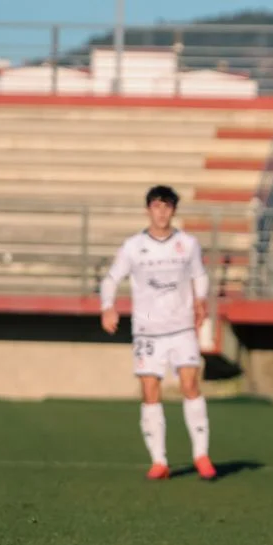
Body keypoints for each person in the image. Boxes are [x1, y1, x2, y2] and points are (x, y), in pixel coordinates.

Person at [99, 185, 216, 481]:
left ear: (174, 210)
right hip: (148, 332)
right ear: (148, 209)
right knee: (150, 390)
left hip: (181, 328)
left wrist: (201, 300)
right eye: (156, 206)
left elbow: (200, 275)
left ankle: (201, 455)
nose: (161, 212)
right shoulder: (133, 246)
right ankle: (159, 461)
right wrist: (107, 307)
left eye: (167, 206)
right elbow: (112, 278)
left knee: (190, 383)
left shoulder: (187, 244)